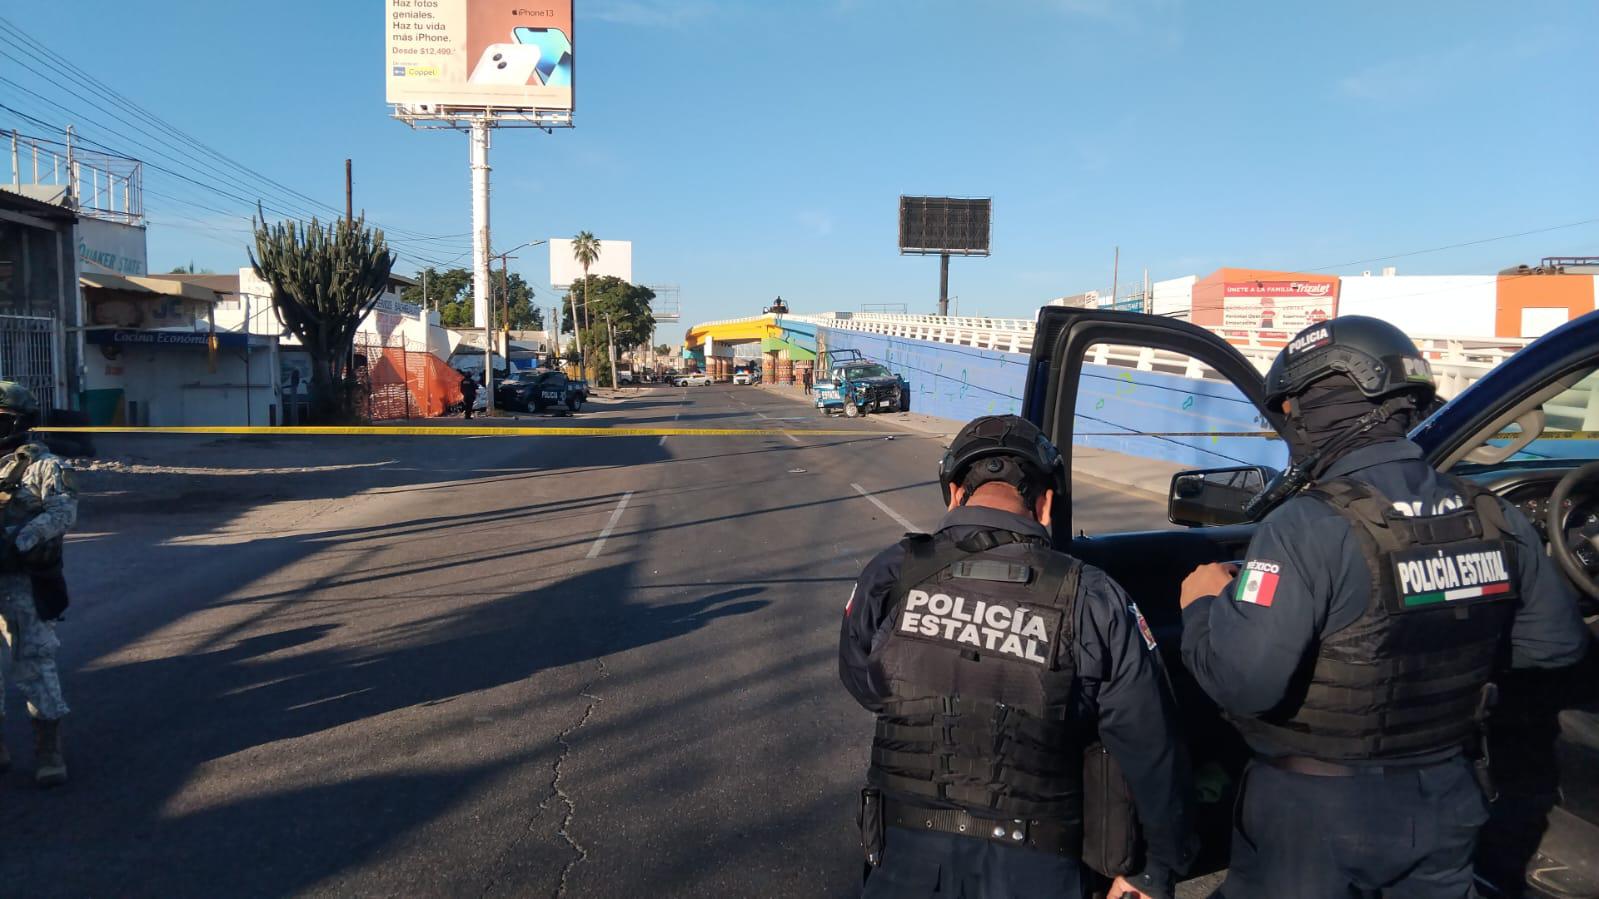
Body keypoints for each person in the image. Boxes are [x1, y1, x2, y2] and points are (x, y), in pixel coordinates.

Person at [1178, 317, 1591, 898]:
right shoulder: (1495, 515)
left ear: (1333, 400)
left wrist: (1203, 607)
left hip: (1314, 818)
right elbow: (1556, 646)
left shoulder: (1304, 525)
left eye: (1294, 406)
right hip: (1447, 795)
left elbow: (1244, 683)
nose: (1290, 422)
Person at [841, 414, 1193, 899]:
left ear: (954, 493)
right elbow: (1150, 742)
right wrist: (1154, 872)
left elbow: (864, 681)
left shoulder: (892, 572)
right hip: (1039, 869)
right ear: (1045, 505)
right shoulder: (1091, 595)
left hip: (905, 860)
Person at [0, 382, 77, 788]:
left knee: (34, 662)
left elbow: (64, 512)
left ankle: (49, 749)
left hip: (23, 581)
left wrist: (20, 540)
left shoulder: (44, 466)